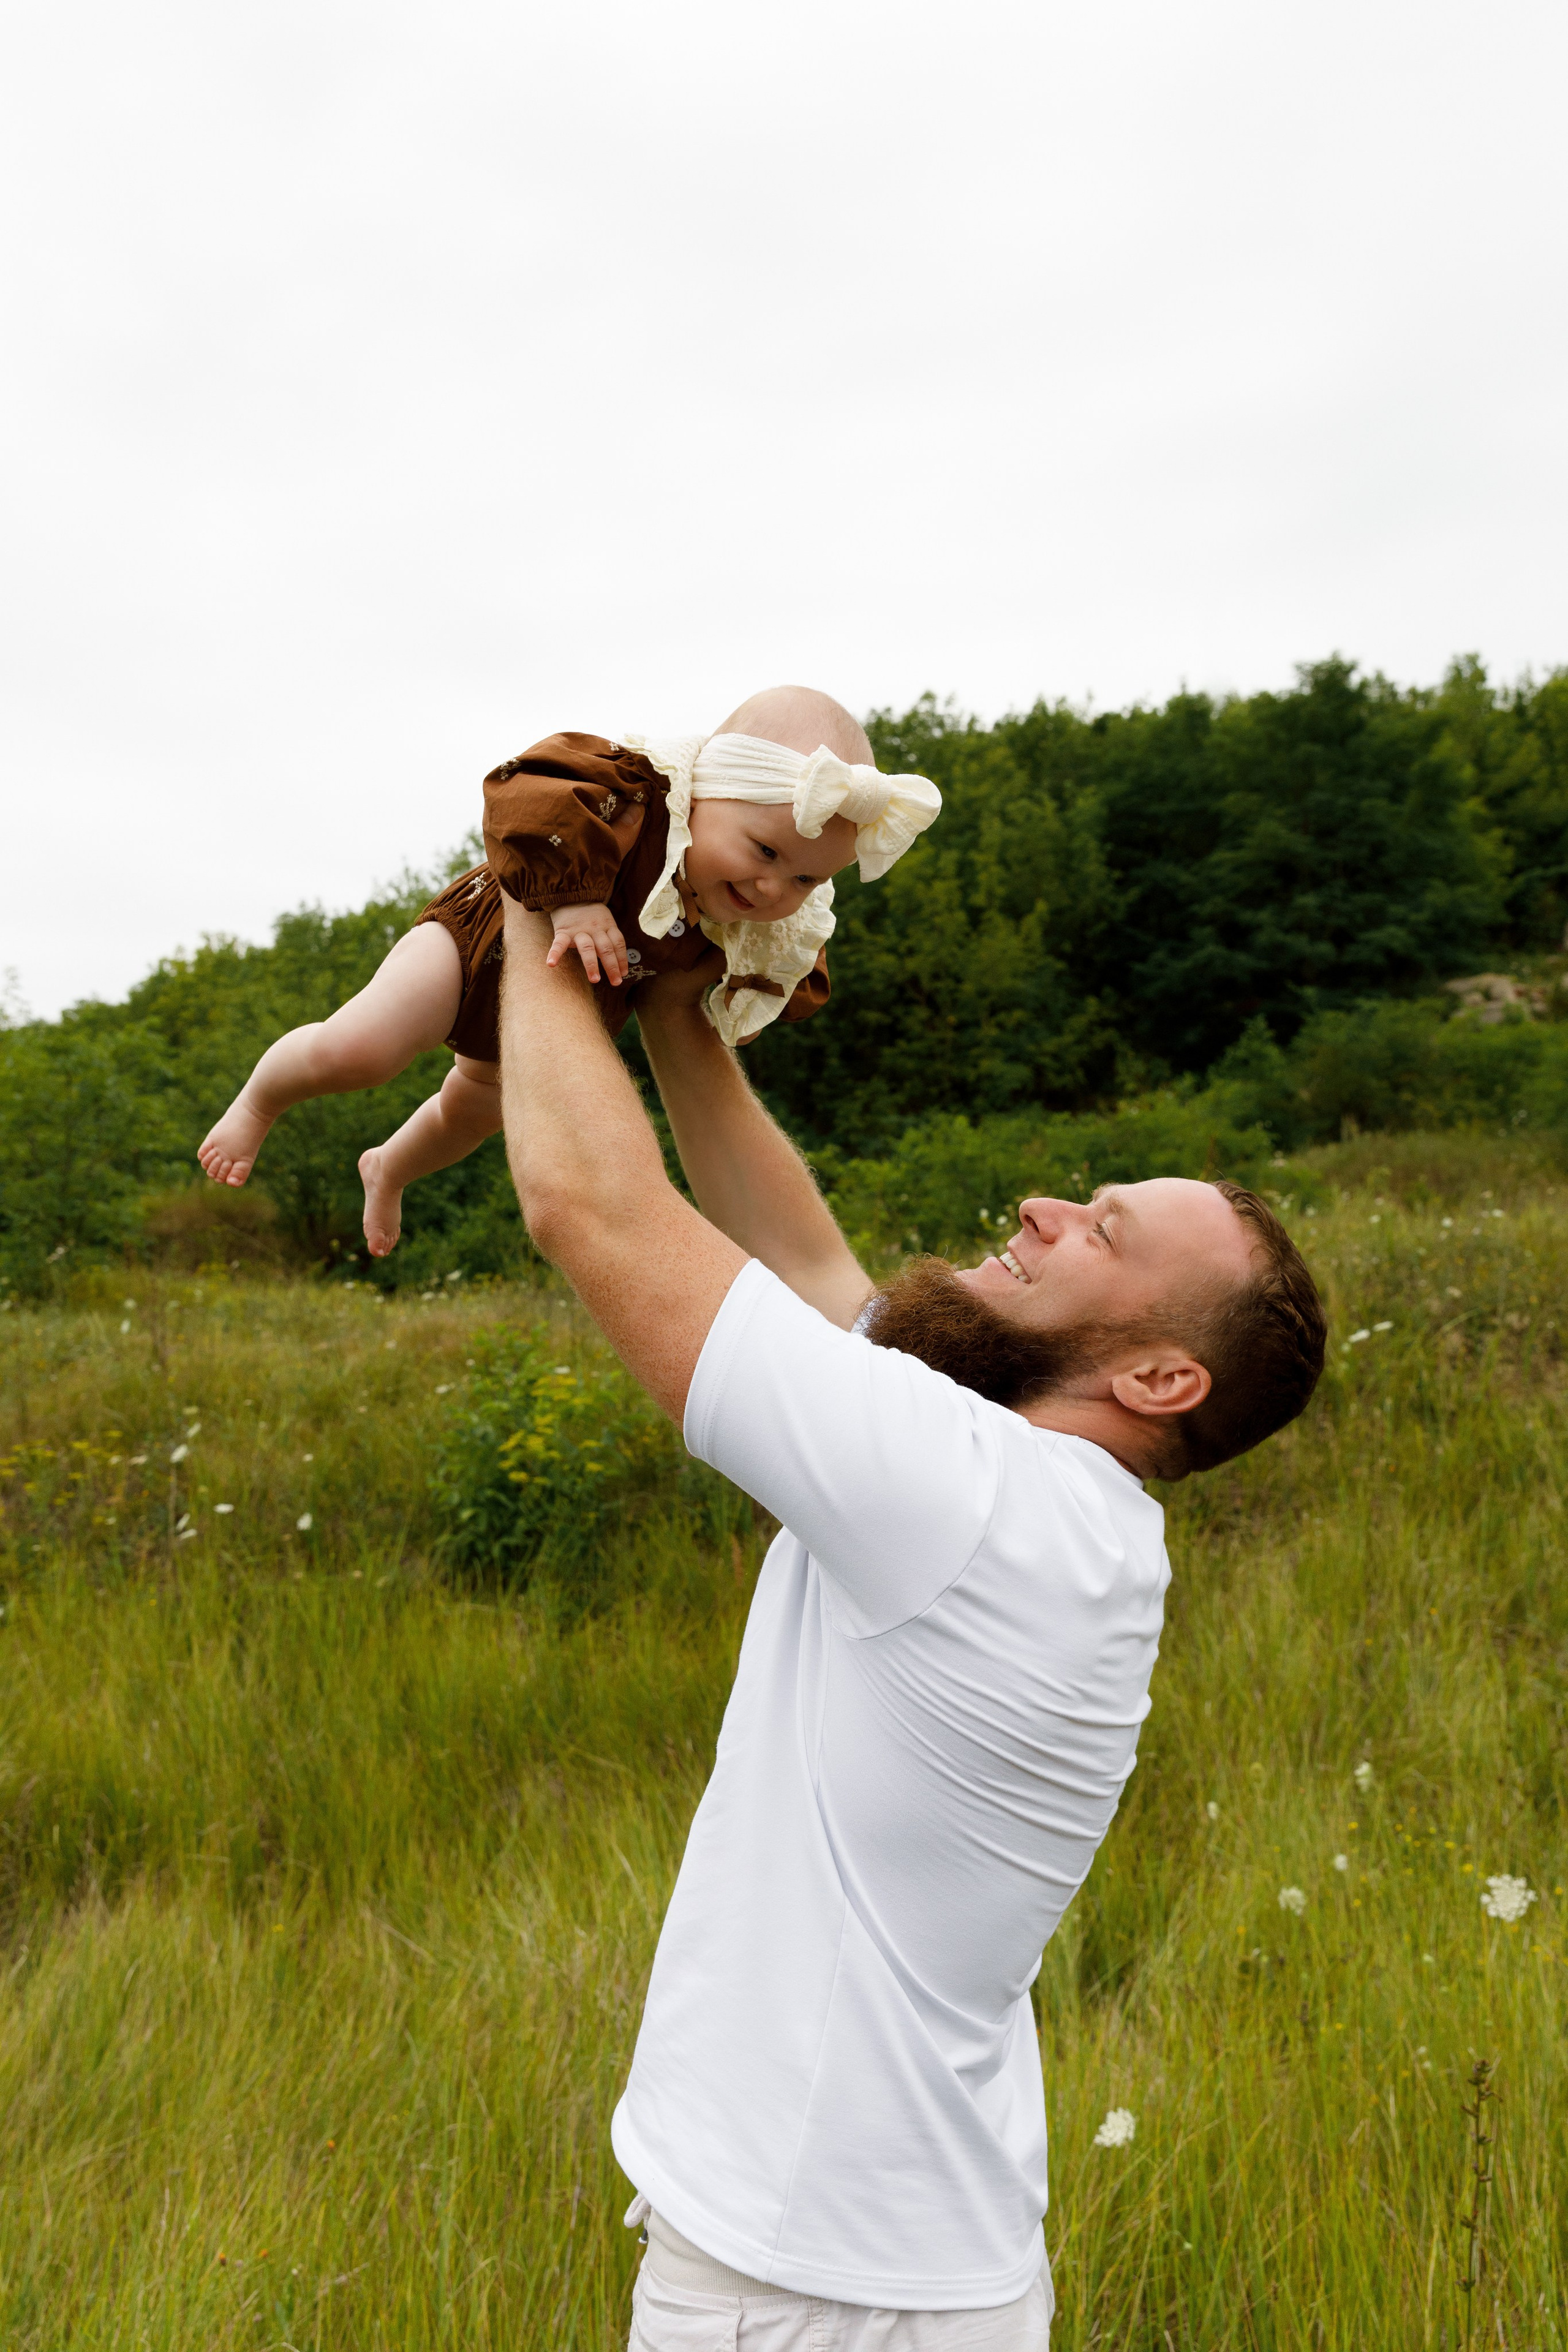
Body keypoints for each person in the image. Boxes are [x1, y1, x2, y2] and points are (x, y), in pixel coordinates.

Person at [495, 888, 1327, 2350]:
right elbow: (812, 1268)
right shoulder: (1045, 1505)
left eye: (1099, 1229)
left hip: (808, 2286)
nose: (1041, 1208)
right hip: (895, 2259)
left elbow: (589, 1206)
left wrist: (527, 889)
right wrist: (682, 1016)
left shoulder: (979, 1504)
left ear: (1153, 1378)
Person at [195, 686, 939, 1256]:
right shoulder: (635, 799)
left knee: (473, 1116)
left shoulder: (735, 916)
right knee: (360, 1050)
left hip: (541, 1020)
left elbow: (783, 965)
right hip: (474, 943)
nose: (775, 888)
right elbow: (529, 788)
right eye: (766, 852)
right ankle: (260, 1103)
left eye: (807, 881)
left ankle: (389, 1167)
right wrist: (575, 898)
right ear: (702, 794)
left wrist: (741, 994)